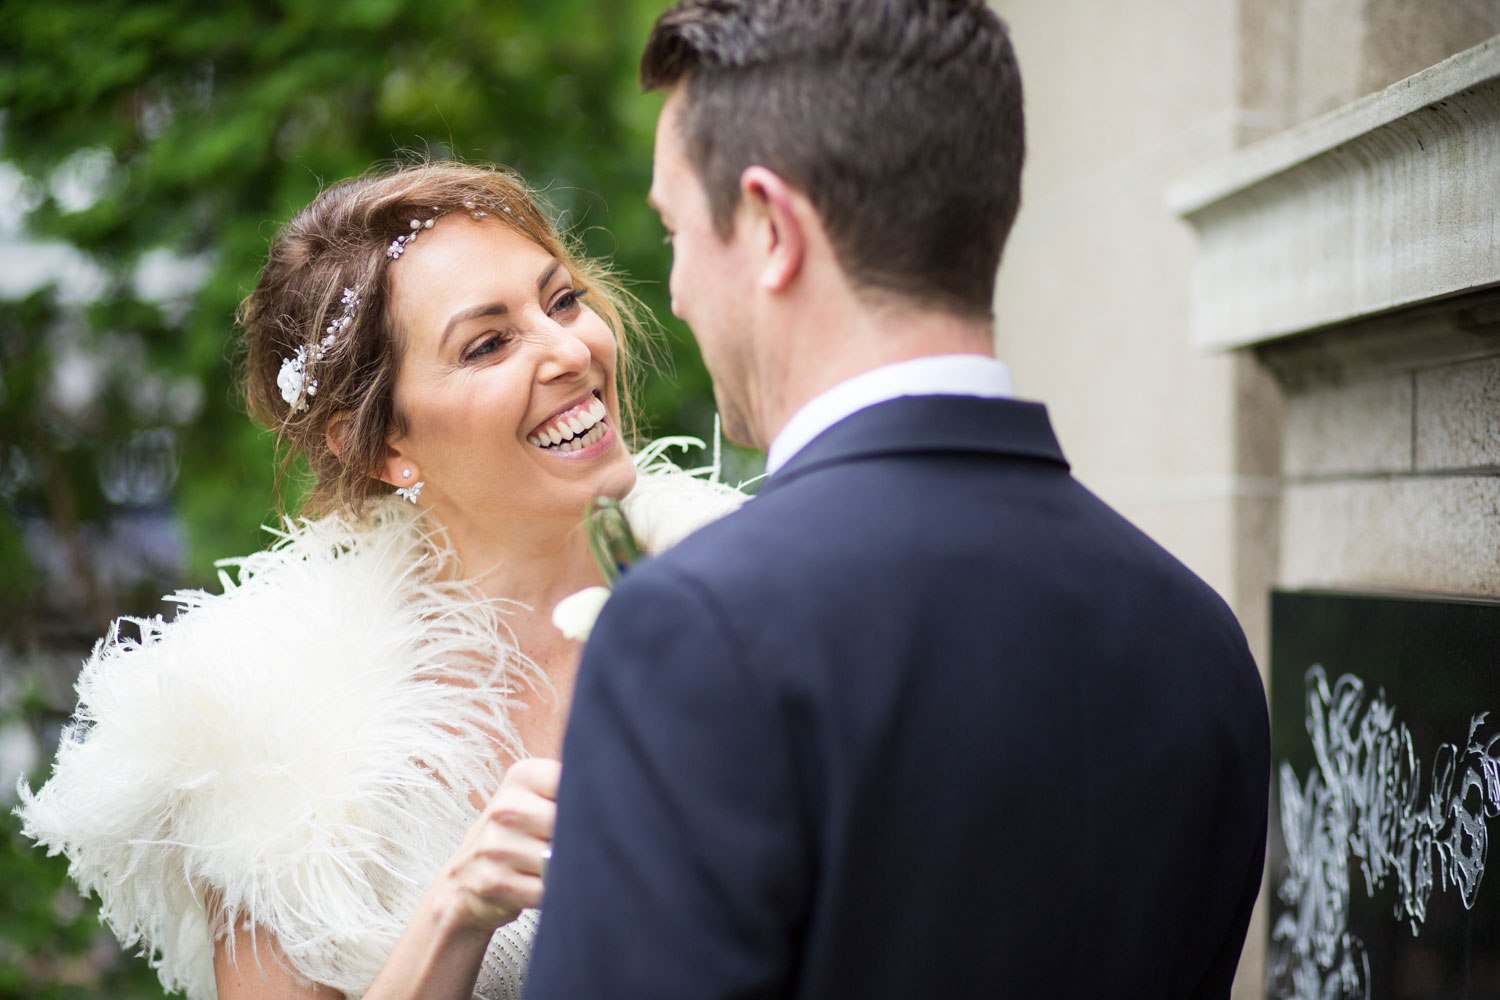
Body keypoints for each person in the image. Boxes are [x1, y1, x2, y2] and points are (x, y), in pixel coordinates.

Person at [525, 1, 1271, 998]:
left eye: (675, 232)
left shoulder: (693, 631)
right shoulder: (1199, 635)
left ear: (770, 226)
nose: (678, 291)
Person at [16, 161, 742, 1000]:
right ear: (381, 448)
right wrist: (458, 915)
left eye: (562, 300)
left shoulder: (756, 583)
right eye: (488, 343)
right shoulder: (270, 740)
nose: (570, 350)